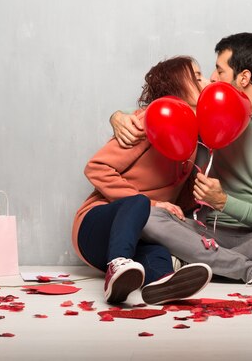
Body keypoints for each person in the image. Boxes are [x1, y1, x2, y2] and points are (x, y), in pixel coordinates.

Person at [110, 33, 252, 289]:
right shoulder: (210, 107)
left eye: (219, 70)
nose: (212, 78)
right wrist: (117, 116)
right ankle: (249, 270)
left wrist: (225, 202)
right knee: (147, 215)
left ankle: (198, 262)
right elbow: (163, 112)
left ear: (244, 78)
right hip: (199, 232)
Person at [73, 56, 212, 305]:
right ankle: (117, 266)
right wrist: (153, 204)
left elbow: (173, 192)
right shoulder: (147, 122)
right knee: (139, 202)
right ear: (178, 84)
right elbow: (96, 167)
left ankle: (161, 285)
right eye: (198, 76)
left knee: (158, 254)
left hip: (140, 235)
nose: (207, 81)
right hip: (96, 227)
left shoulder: (193, 137)